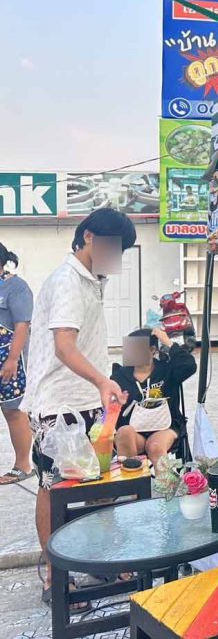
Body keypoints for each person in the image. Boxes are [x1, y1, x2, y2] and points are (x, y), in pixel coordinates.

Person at [22, 208, 135, 606]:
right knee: (54, 488)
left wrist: (106, 383)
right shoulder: (67, 280)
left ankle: (97, 560)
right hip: (57, 406)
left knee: (99, 483)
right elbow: (64, 346)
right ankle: (56, 577)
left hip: (89, 402)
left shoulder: (92, 280)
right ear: (88, 237)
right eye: (113, 246)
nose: (115, 256)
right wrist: (103, 381)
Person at [113, 327, 195, 465]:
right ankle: (132, 477)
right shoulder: (119, 376)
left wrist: (168, 342)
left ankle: (166, 480)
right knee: (124, 433)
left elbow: (189, 366)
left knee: (155, 446)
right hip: (134, 430)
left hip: (165, 427)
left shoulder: (167, 370)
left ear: (152, 350)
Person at [0, 242, 33, 485]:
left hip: (8, 359)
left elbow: (23, 325)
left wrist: (12, 359)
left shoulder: (16, 287)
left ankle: (23, 465)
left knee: (12, 410)